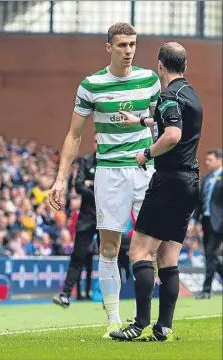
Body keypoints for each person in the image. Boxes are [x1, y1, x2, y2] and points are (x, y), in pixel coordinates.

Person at [49, 22, 160, 338]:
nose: (128, 51)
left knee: (155, 245)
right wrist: (60, 180)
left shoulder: (149, 80)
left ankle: (156, 320)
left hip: (144, 170)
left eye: (133, 44)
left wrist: (159, 160)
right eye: (122, 45)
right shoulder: (91, 85)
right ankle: (113, 319)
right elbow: (74, 135)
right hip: (109, 173)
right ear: (109, 47)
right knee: (109, 248)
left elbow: (159, 124)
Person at [110, 42, 202, 342]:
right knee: (168, 258)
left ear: (160, 65)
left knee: (139, 251)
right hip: (190, 182)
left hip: (169, 181)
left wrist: (147, 153)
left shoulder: (168, 95)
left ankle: (138, 324)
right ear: (184, 66)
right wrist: (141, 121)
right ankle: (163, 328)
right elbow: (173, 121)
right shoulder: (190, 94)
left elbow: (173, 133)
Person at [53, 133, 97, 307]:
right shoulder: (86, 161)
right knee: (77, 256)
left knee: (110, 256)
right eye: (94, 141)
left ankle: (111, 298)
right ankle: (65, 293)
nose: (97, 143)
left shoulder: (111, 162)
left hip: (107, 215)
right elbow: (78, 186)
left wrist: (90, 183)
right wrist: (94, 187)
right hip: (87, 217)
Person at [192, 149, 222, 299]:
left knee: (211, 253)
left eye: (210, 160)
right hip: (206, 221)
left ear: (219, 160)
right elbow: (200, 202)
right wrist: (194, 220)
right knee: (211, 255)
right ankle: (207, 289)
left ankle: (206, 290)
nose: (207, 163)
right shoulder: (206, 177)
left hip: (220, 223)